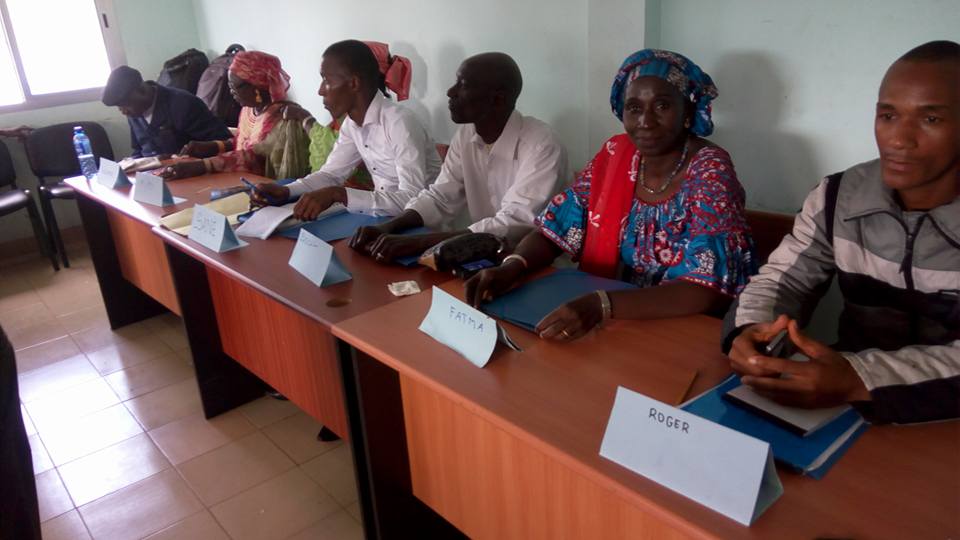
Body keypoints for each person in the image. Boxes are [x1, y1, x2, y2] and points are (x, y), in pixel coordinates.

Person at [722, 40, 960, 425]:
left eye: (930, 119)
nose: (899, 139)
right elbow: (785, 278)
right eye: (888, 115)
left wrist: (858, 379)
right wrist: (751, 330)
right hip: (839, 401)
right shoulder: (838, 197)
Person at [466, 49, 755, 341]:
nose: (646, 121)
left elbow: (708, 288)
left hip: (683, 329)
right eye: (634, 108)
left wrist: (602, 304)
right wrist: (513, 266)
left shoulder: (710, 171)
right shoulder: (616, 155)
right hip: (616, 323)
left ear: (688, 113)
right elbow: (555, 227)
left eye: (662, 106)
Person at [349, 52, 568, 262]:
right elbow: (440, 197)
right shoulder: (466, 135)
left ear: (498, 99)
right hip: (480, 256)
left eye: (463, 85)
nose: (450, 92)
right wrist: (387, 228)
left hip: (532, 265)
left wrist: (417, 243)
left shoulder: (542, 144)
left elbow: (513, 224)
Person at [253, 40, 441, 220]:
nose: (320, 91)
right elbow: (331, 174)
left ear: (353, 84)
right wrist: (287, 191)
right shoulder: (352, 124)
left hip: (423, 225)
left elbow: (412, 199)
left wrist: (340, 194)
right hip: (384, 218)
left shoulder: (399, 123)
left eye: (326, 80)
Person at [161, 51, 305, 179]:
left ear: (256, 86)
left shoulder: (284, 117)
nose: (231, 91)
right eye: (230, 86)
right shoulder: (249, 110)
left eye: (236, 86)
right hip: (241, 179)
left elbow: (256, 157)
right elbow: (243, 144)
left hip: (271, 188)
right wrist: (214, 146)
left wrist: (204, 165)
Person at [101, 65, 231, 158]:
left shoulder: (183, 104)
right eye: (119, 107)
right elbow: (139, 151)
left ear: (141, 90)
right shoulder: (134, 113)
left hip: (191, 174)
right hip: (155, 179)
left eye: (125, 105)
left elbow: (224, 142)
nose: (123, 112)